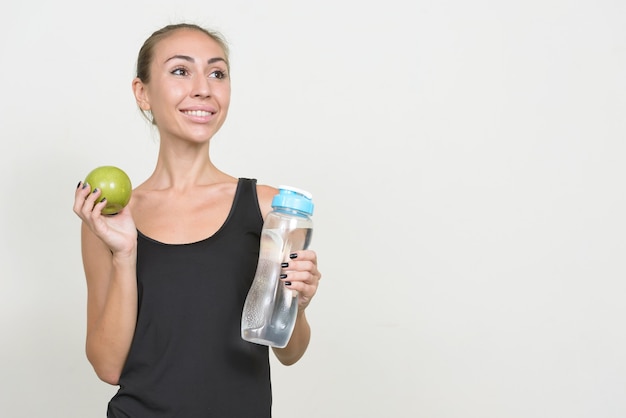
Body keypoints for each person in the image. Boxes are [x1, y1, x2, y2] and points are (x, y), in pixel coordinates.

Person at [72, 22, 321, 417]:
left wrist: (299, 306)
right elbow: (107, 366)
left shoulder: (270, 208)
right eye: (180, 70)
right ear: (143, 93)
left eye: (217, 73)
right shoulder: (110, 218)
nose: (203, 87)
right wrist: (124, 255)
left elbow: (290, 352)